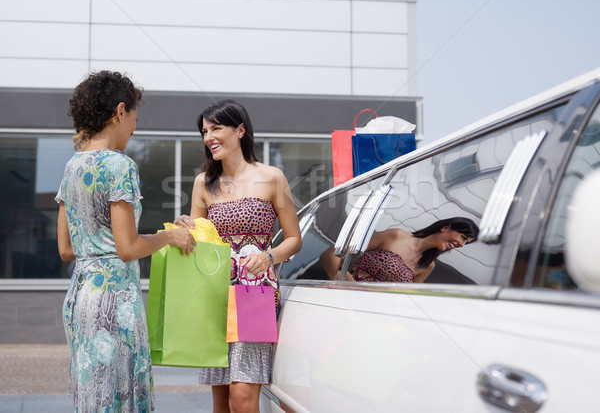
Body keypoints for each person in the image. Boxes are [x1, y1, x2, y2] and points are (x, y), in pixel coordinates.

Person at [55, 70, 196, 412]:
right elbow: (127, 248)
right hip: (113, 302)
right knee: (120, 400)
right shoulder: (119, 166)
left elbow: (66, 249)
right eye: (135, 117)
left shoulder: (72, 167)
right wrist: (168, 236)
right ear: (120, 111)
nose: (135, 127)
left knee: (93, 401)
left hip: (80, 297)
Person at [174, 99, 302, 413]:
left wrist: (269, 257)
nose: (209, 137)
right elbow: (199, 243)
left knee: (242, 398)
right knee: (220, 398)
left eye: (216, 128)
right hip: (215, 293)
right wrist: (185, 229)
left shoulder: (272, 177)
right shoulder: (203, 183)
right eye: (205, 131)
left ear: (240, 130)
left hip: (255, 293)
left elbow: (295, 239)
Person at [320, 217, 479, 283]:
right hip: (342, 302)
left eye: (467, 243)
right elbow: (330, 255)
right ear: (445, 228)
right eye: (463, 238)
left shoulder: (427, 266)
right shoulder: (396, 236)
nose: (462, 245)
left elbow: (405, 301)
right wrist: (351, 287)